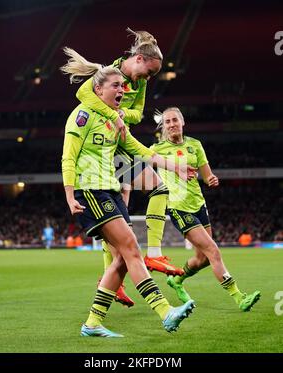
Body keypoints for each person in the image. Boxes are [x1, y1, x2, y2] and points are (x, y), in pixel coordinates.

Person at [60, 54, 196, 337]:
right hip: (91, 191)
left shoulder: (114, 123)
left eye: (123, 86)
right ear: (99, 90)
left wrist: (176, 167)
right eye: (115, 86)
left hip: (110, 190)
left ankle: (93, 324)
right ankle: (165, 311)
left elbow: (140, 150)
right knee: (132, 248)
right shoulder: (82, 116)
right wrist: (70, 195)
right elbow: (68, 158)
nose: (122, 90)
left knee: (121, 260)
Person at [75, 28, 184, 283]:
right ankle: (113, 278)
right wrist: (113, 115)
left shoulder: (140, 82)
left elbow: (138, 113)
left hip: (122, 146)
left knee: (156, 191)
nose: (148, 77)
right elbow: (82, 95)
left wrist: (124, 115)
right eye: (149, 72)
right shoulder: (110, 74)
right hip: (101, 150)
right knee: (116, 214)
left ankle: (153, 254)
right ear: (139, 59)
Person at [151, 107, 261, 312]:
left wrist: (211, 179)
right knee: (213, 251)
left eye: (175, 120)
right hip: (178, 208)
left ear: (182, 122)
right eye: (167, 122)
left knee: (202, 259)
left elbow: (207, 175)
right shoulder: (157, 150)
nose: (172, 124)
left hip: (199, 205)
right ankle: (239, 297)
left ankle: (176, 280)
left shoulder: (195, 145)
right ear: (163, 127)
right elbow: (140, 161)